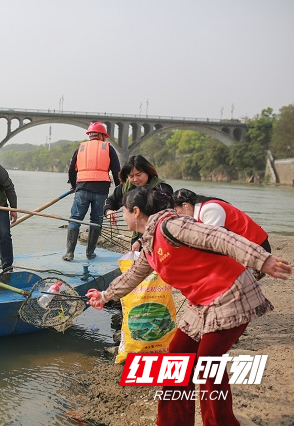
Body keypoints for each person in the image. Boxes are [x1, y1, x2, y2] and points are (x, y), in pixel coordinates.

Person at [86, 185, 291, 426]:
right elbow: (132, 276)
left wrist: (261, 260)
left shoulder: (172, 226)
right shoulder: (150, 244)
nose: (123, 216)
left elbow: (219, 237)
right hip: (202, 302)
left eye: (125, 211)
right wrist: (105, 295)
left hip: (229, 294)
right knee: (176, 358)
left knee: (208, 364)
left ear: (136, 211)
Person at [63, 121, 120, 261]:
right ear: (101, 135)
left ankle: (69, 253)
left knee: (75, 219)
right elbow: (116, 170)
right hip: (101, 190)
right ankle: (90, 253)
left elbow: (72, 168)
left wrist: (72, 184)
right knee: (96, 220)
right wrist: (119, 189)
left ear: (90, 135)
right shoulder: (108, 148)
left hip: (82, 188)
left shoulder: (81, 147)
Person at [103, 155, 173, 251]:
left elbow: (164, 220)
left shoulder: (161, 190)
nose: (135, 179)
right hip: (137, 234)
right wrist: (108, 211)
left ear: (148, 172)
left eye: (139, 175)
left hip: (156, 236)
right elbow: (111, 201)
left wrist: (141, 241)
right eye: (131, 176)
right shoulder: (126, 187)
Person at [171, 188, 270, 252]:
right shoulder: (202, 210)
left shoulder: (209, 209)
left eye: (176, 210)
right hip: (244, 248)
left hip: (258, 250)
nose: (177, 215)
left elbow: (214, 241)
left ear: (185, 205)